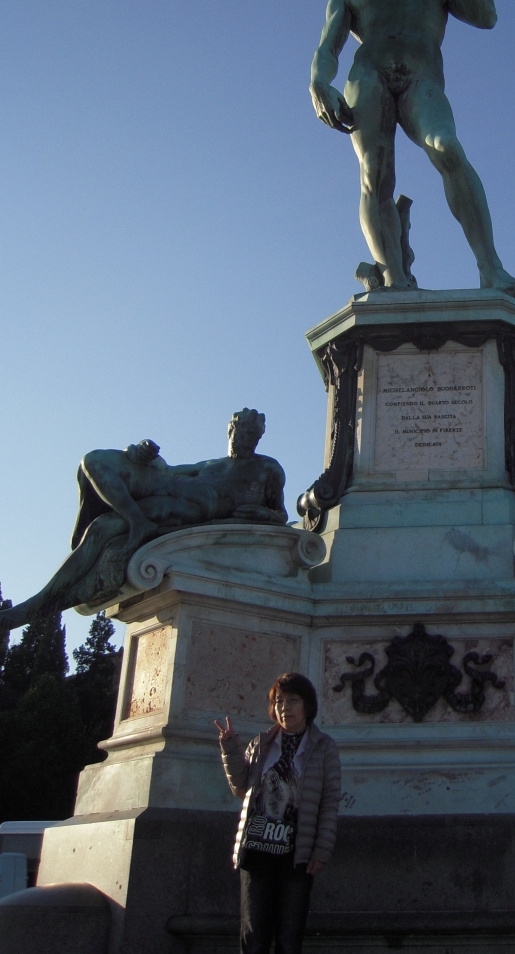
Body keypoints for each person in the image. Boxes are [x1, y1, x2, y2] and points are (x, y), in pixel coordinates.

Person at [310, 0, 515, 299]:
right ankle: (393, 278)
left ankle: (491, 268)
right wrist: (319, 82)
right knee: (375, 175)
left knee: (446, 147)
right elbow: (327, 48)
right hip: (368, 75)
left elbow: (486, 16)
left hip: (421, 78)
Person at [0, 409, 288, 631]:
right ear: (230, 431)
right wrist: (138, 454)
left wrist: (263, 513)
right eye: (240, 432)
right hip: (165, 492)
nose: (244, 439)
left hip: (186, 510)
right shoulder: (211, 464)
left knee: (103, 529)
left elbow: (281, 515)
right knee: (94, 465)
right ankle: (35, 605)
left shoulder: (268, 468)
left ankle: (29, 611)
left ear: (258, 438)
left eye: (251, 435)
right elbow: (170, 472)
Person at [216, 673, 341, 954]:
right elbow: (242, 788)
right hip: (256, 850)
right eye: (279, 701)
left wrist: (322, 848)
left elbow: (329, 800)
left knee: (289, 937)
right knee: (253, 936)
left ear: (307, 705)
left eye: (292, 700)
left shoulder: (324, 747)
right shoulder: (260, 743)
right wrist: (230, 748)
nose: (285, 707)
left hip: (296, 855)